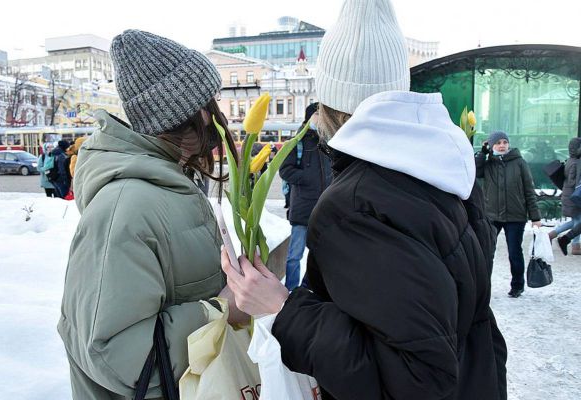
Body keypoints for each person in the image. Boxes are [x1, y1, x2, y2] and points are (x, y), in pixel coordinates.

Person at [221, 1, 507, 399]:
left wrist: (284, 311)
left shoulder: (356, 205)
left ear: (328, 101)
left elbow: (417, 378)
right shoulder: (443, 170)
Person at [57, 30, 247, 399]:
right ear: (193, 114)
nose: (217, 113)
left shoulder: (170, 183)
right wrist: (223, 310)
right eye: (211, 101)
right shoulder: (126, 208)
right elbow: (116, 355)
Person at [476, 130, 542, 297]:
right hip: (491, 216)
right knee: (487, 252)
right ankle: (484, 288)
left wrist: (536, 217)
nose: (502, 145)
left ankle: (517, 285)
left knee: (514, 252)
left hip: (516, 216)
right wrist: (482, 153)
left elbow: (529, 190)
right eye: (498, 143)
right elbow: (475, 171)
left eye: (505, 142)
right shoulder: (488, 162)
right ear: (492, 145)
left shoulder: (520, 162)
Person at [279, 102, 332, 290]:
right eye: (320, 114)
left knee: (321, 255)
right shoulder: (298, 142)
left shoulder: (328, 142)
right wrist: (308, 178)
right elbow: (285, 170)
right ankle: (291, 289)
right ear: (311, 117)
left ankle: (311, 288)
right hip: (302, 207)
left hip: (324, 208)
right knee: (295, 255)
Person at [549, 137, 581, 255]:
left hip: (569, 194)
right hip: (574, 196)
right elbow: (575, 182)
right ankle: (575, 246)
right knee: (578, 220)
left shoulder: (570, 160)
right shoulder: (577, 163)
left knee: (576, 221)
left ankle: (552, 235)